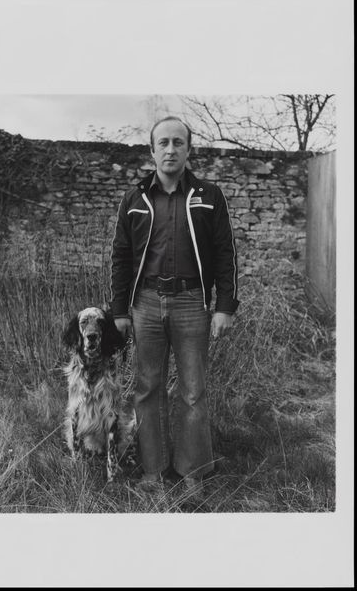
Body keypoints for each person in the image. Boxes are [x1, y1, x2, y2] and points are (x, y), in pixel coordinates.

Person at [110, 116, 239, 490]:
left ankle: (192, 472)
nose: (170, 149)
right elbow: (121, 257)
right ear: (152, 151)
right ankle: (153, 471)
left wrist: (225, 306)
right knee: (147, 388)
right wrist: (120, 311)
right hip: (145, 304)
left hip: (191, 302)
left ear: (188, 149)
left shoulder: (209, 196)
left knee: (193, 391)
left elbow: (225, 252)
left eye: (178, 142)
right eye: (163, 143)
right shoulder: (134, 199)